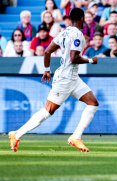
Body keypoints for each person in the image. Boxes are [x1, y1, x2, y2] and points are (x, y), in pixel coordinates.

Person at [8, 8, 99, 153]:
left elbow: (47, 51)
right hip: (65, 79)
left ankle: (76, 137)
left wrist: (46, 70)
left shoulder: (65, 32)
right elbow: (74, 58)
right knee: (47, 111)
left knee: (93, 103)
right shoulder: (77, 34)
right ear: (81, 18)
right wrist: (90, 60)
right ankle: (17, 134)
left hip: (73, 78)